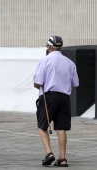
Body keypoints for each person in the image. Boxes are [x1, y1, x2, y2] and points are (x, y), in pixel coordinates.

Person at [33, 36, 79, 167]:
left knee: (42, 127)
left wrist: (41, 85)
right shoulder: (70, 63)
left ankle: (49, 153)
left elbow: (37, 83)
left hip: (49, 98)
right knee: (61, 128)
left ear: (49, 47)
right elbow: (75, 83)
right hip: (64, 98)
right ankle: (62, 158)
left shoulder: (45, 61)